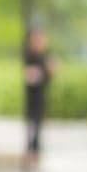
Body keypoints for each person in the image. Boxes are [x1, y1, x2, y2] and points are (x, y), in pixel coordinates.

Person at [23, 27, 54, 160]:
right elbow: (32, 77)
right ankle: (31, 149)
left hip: (40, 96)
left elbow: (45, 79)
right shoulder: (29, 56)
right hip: (32, 97)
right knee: (32, 123)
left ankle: (35, 149)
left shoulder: (43, 56)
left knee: (38, 123)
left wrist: (49, 72)